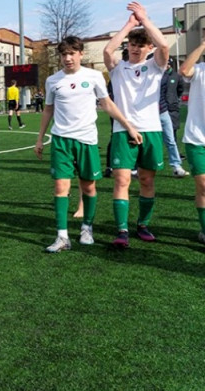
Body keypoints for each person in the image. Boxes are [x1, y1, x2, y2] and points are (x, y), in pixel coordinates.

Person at [36, 36, 143, 253]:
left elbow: (107, 104)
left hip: (86, 139)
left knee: (89, 186)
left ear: (80, 54)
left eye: (72, 54)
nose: (67, 58)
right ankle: (62, 236)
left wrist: (128, 126)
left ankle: (87, 227)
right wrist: (40, 138)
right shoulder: (53, 81)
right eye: (64, 54)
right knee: (60, 187)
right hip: (61, 140)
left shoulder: (93, 76)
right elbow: (48, 109)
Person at [103, 1, 169, 247]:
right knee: (121, 180)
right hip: (123, 130)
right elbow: (108, 52)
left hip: (151, 129)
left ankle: (143, 224)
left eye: (141, 45)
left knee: (146, 180)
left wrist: (145, 19)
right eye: (132, 44)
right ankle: (121, 231)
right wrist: (130, 24)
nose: (135, 49)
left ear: (148, 48)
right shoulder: (119, 69)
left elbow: (163, 44)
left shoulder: (156, 66)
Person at [178, 35, 205, 245]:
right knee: (203, 186)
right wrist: (202, 45)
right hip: (197, 137)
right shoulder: (200, 70)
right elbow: (184, 70)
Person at [160, 61, 188, 178]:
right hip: (148, 113)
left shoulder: (175, 76)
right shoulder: (154, 74)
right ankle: (135, 167)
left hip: (165, 110)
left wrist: (174, 100)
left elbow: (180, 89)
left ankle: (176, 166)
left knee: (171, 139)